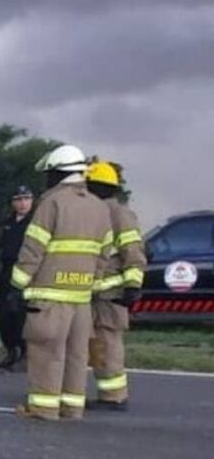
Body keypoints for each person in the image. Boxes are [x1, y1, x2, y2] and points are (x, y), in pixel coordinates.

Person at [8, 145, 112, 421]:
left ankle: (43, 408)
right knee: (77, 356)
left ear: (58, 173)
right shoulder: (99, 207)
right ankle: (72, 407)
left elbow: (33, 248)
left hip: (49, 297)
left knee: (47, 353)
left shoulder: (52, 204)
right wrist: (91, 283)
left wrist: (17, 285)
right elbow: (105, 253)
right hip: (81, 299)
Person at [86, 160, 146, 411]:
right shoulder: (96, 211)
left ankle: (114, 396)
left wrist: (132, 286)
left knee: (108, 344)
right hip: (94, 293)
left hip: (111, 294)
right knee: (97, 345)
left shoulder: (118, 214)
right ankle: (107, 393)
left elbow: (133, 252)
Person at [0, 185, 35, 370]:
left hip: (25, 271)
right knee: (4, 312)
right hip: (7, 271)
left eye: (26, 199)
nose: (23, 203)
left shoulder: (34, 223)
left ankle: (26, 355)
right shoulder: (8, 222)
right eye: (18, 199)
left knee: (21, 314)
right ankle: (10, 351)